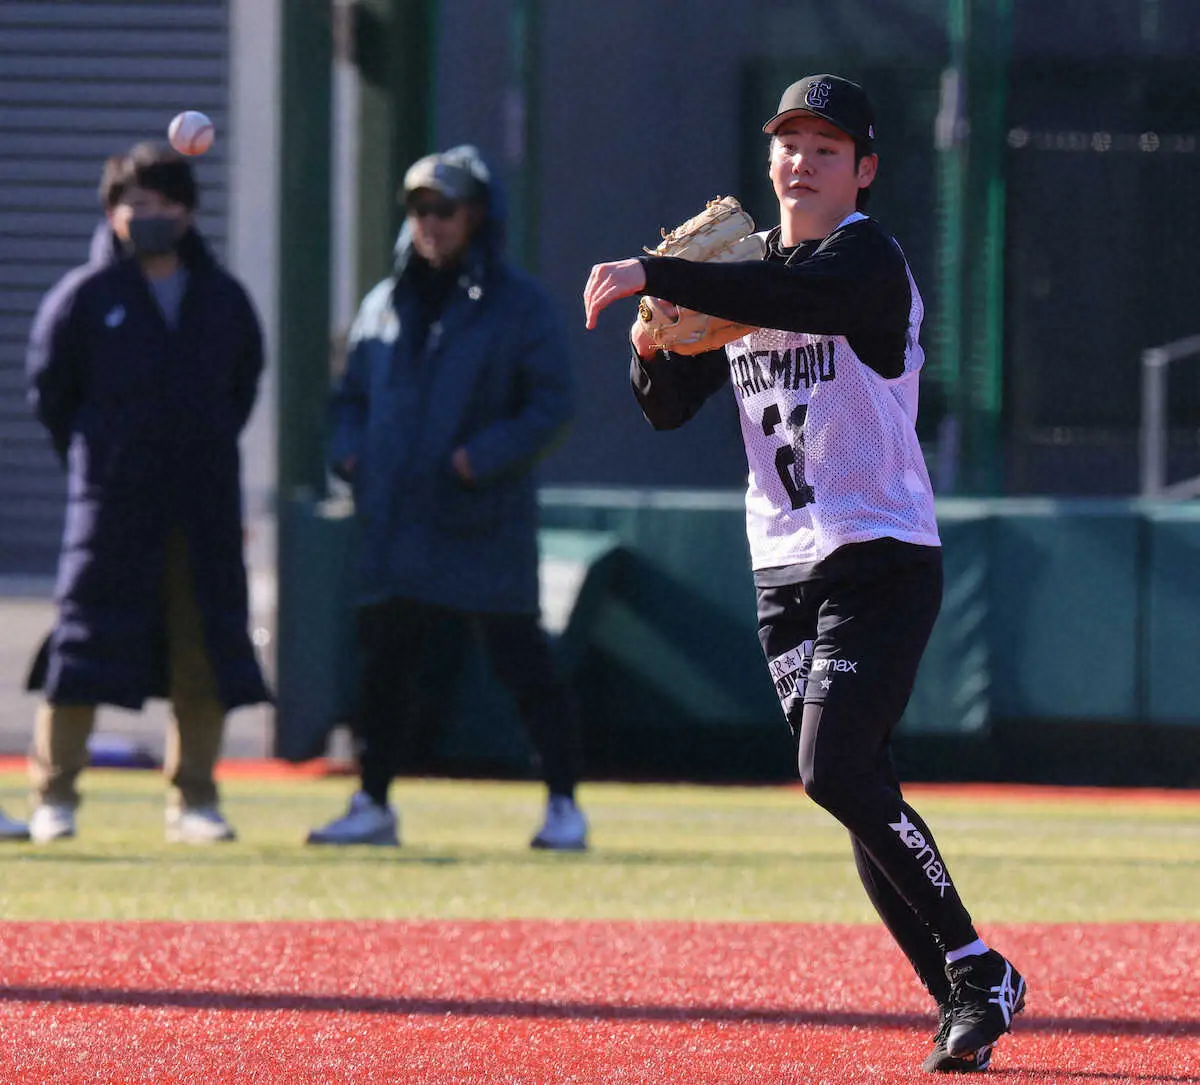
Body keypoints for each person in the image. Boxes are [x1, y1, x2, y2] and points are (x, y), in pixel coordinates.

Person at [583, 75, 1026, 1072]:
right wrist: (653, 336)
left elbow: (797, 295)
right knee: (857, 784)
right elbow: (666, 403)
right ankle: (965, 990)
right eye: (789, 142)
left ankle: (976, 965)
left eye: (827, 147)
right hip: (783, 570)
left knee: (833, 768)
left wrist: (661, 271)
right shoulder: (738, 275)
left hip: (879, 553)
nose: (801, 160)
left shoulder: (865, 257)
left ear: (864, 170)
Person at [307, 145, 588, 851]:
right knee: (383, 667)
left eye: (444, 208)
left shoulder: (517, 305)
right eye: (419, 208)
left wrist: (477, 459)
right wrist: (350, 454)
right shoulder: (383, 302)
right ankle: (371, 802)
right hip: (397, 518)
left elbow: (552, 402)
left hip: (480, 516)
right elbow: (347, 397)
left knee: (521, 663)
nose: (429, 222)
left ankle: (563, 804)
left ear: (475, 215)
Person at [24, 142, 270, 845]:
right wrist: (102, 459)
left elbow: (242, 385)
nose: (147, 215)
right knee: (80, 649)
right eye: (133, 202)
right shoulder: (84, 297)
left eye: (162, 202)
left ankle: (194, 797)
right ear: (111, 212)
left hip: (201, 505)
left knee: (205, 650)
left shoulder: (222, 299)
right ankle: (55, 795)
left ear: (189, 212)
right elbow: (51, 394)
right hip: (109, 506)